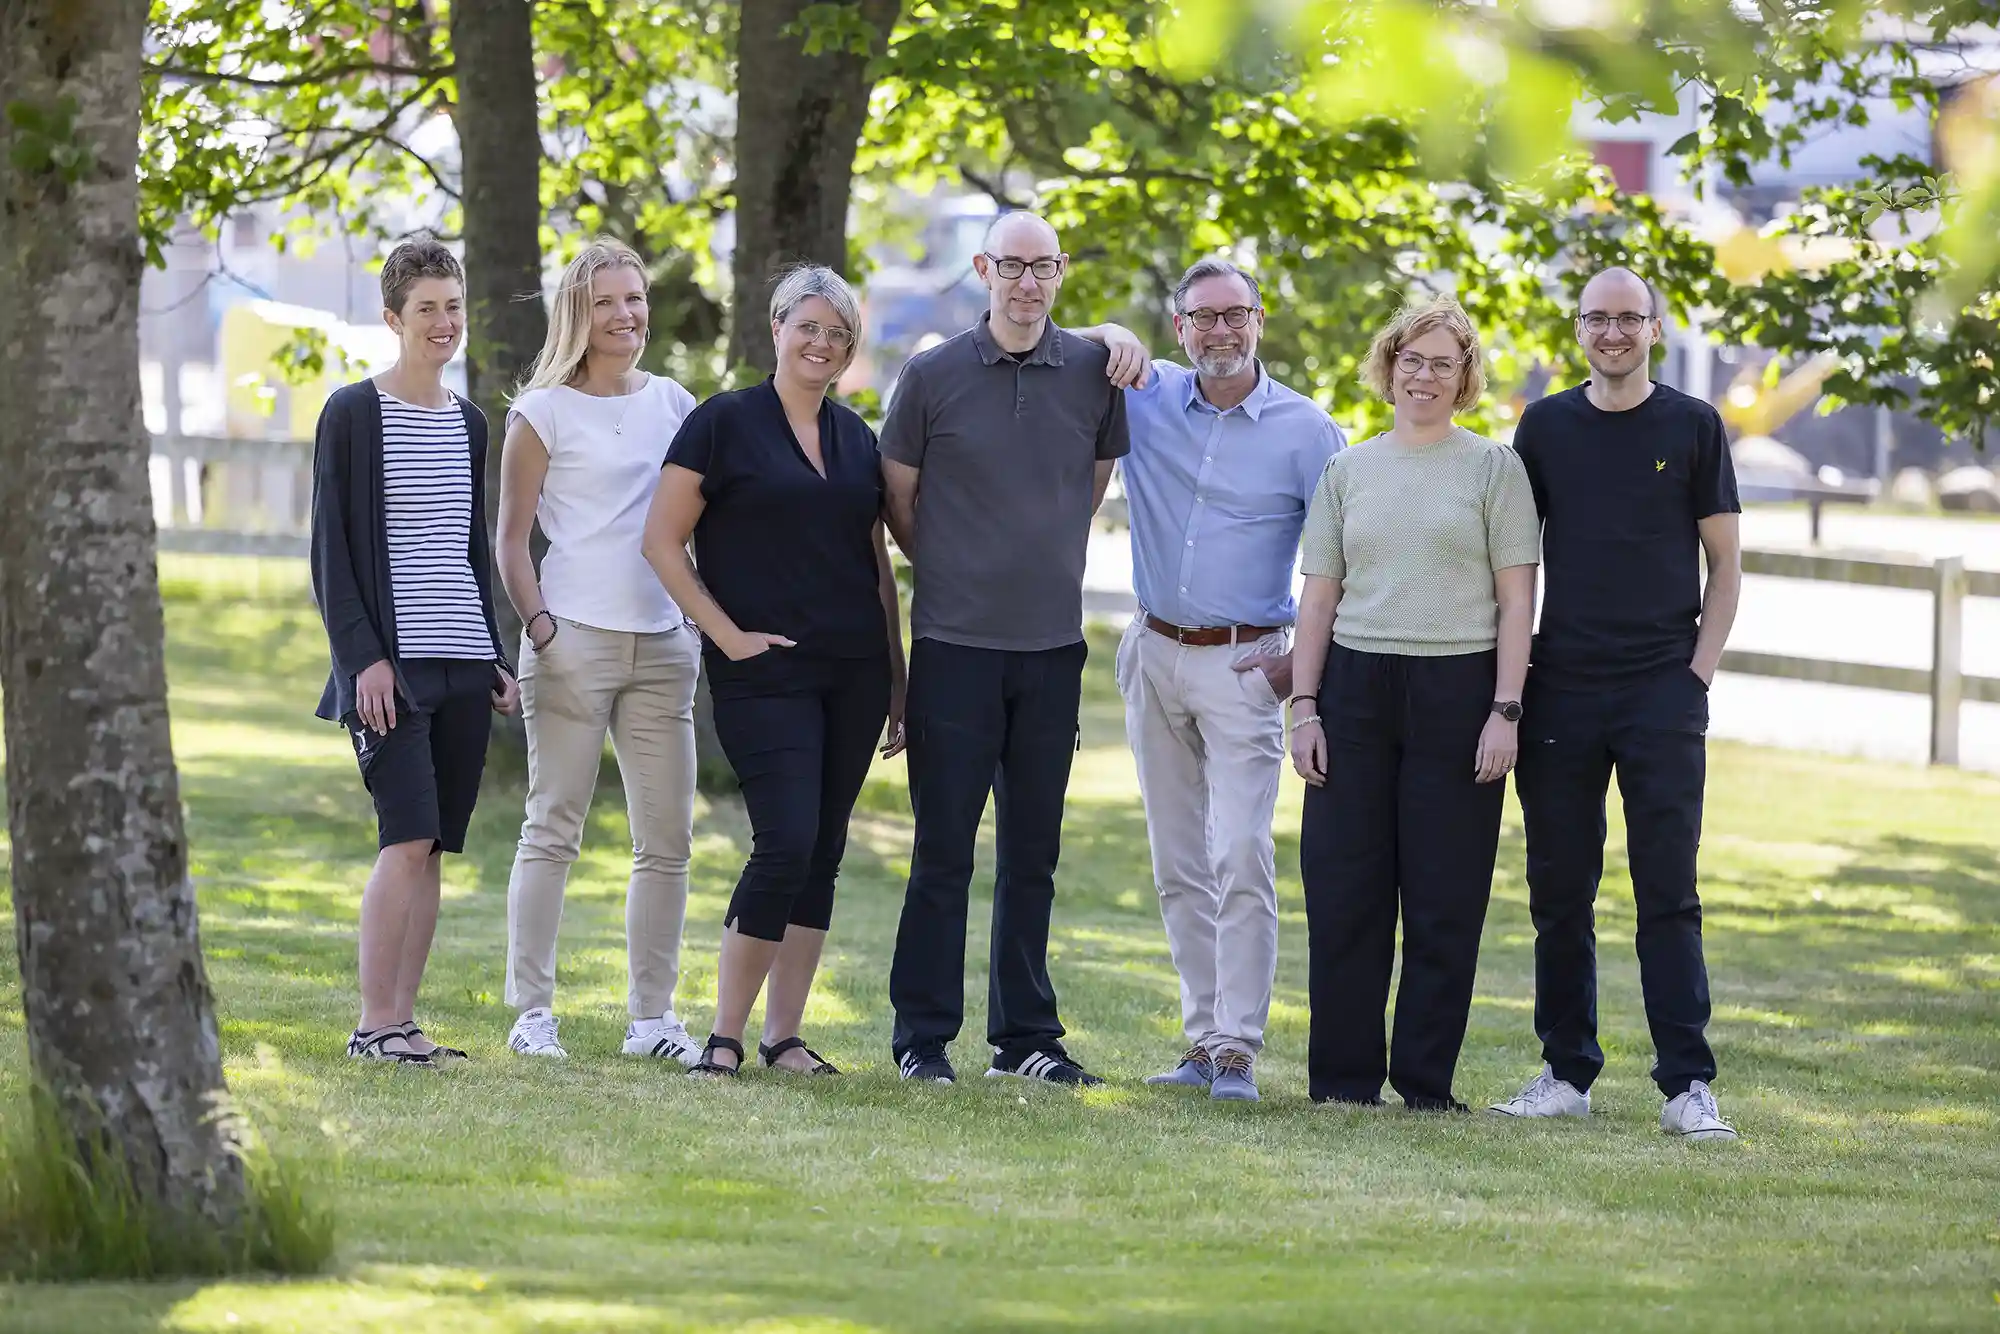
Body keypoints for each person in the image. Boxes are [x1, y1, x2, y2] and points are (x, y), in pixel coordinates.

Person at [1076, 259, 1344, 1102]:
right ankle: (1200, 1040)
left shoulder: (1308, 430)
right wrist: (1111, 336)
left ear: (1260, 320)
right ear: (1180, 325)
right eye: (1202, 319)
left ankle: (1238, 1046)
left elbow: (1341, 561)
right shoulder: (1144, 396)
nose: (1220, 331)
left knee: (1239, 853)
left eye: (1235, 315)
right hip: (1154, 653)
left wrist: (1296, 664)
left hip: (1245, 664)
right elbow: (1053, 344)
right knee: (1177, 860)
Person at [1489, 267, 1743, 1141]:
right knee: (1561, 889)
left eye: (1627, 318)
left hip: (1660, 692)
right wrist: (1513, 691)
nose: (1612, 332)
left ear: (1655, 328)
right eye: (1596, 317)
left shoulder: (1694, 426)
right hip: (1563, 688)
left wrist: (1696, 675)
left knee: (1668, 889)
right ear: (1579, 327)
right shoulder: (1545, 426)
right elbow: (1515, 567)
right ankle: (1566, 1071)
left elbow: (1727, 564)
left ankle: (1686, 1084)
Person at [879, 211, 1129, 1087]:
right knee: (943, 848)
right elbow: (899, 504)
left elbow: (1087, 492)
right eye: (1012, 266)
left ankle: (1025, 1038)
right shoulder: (930, 374)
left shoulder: (1096, 373)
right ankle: (922, 1039)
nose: (1028, 282)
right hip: (954, 645)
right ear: (984, 268)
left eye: (1045, 267)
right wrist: (960, 568)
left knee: (1034, 851)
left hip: (1053, 648)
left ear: (1061, 271)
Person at [643, 265, 906, 1078]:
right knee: (784, 841)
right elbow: (661, 541)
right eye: (809, 327)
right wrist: (727, 636)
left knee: (822, 850)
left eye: (838, 334)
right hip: (763, 675)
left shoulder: (859, 437)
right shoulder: (722, 424)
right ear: (778, 327)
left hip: (855, 674)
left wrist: (898, 680)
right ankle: (724, 1033)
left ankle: (783, 1036)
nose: (822, 344)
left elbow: (878, 566)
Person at [1288, 296, 1539, 1111]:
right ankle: (1344, 1083)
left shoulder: (1495, 470)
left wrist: (1506, 710)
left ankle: (1426, 1083)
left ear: (1465, 377)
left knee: (1445, 897)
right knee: (1344, 892)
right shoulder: (1347, 471)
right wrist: (1304, 707)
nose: (1423, 375)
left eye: (1442, 362)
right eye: (1411, 359)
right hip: (1354, 693)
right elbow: (1318, 603)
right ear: (1387, 368)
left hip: (1460, 694)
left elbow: (1516, 603)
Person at [495, 237, 705, 1064]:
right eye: (608, 302)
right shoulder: (539, 412)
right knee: (553, 829)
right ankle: (532, 1011)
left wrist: (692, 620)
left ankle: (652, 1020)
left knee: (667, 840)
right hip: (572, 640)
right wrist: (543, 631)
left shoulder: (677, 405)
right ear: (577, 314)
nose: (627, 315)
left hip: (662, 647)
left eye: (636, 298)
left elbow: (696, 521)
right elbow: (510, 543)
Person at [310, 234, 519, 1065]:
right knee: (403, 836)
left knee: (432, 843)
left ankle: (403, 1021)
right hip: (388, 672)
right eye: (426, 309)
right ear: (393, 317)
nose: (443, 322)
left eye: (454, 306)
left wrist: (493, 654)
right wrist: (362, 660)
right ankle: (372, 1025)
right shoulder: (353, 412)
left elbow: (468, 550)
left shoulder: (469, 423)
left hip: (462, 661)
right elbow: (331, 552)